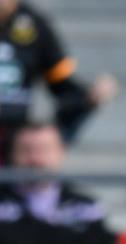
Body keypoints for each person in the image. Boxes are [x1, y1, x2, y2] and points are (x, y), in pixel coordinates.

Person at [0, 0, 117, 149]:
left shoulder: (34, 24)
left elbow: (61, 84)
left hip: (16, 138)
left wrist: (92, 95)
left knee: (42, 144)